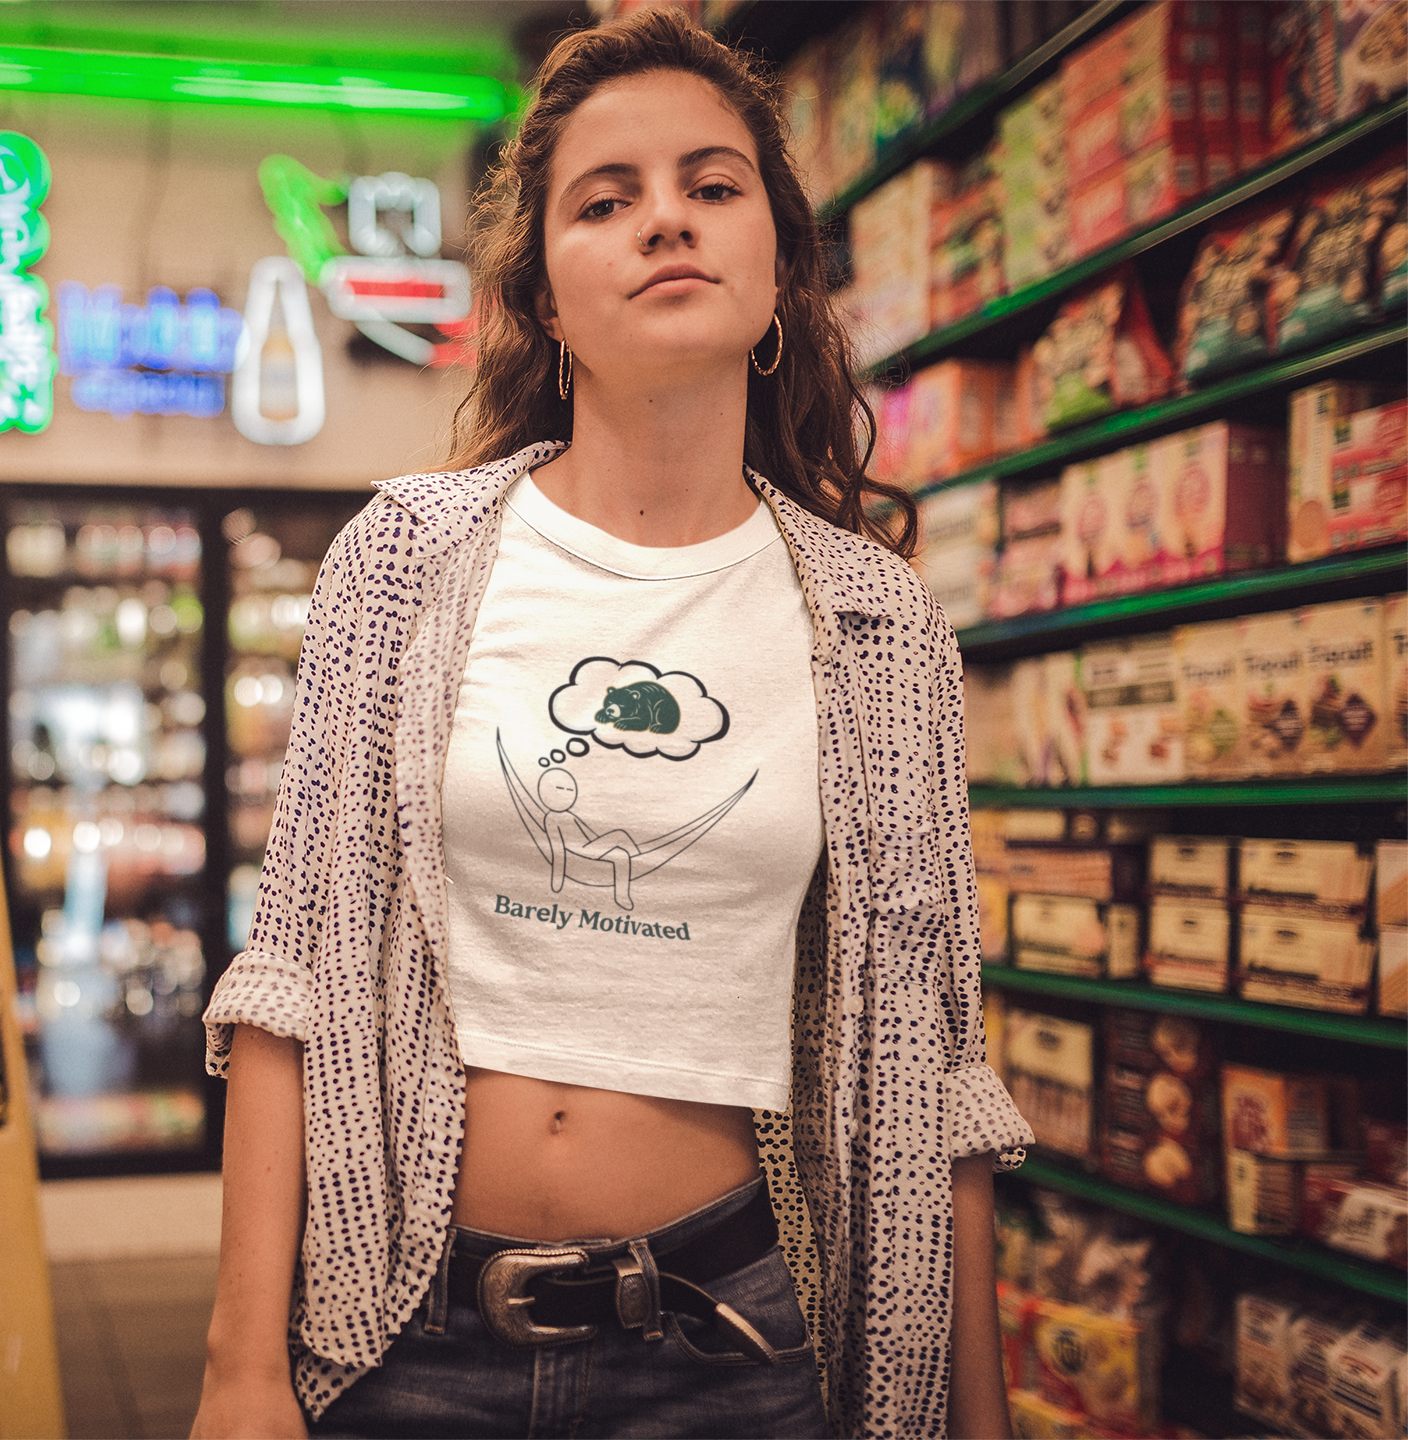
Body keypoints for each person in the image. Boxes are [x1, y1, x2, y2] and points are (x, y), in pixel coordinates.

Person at [192, 11, 1034, 1439]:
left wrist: (975, 1416)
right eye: (608, 197)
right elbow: (296, 978)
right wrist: (239, 1372)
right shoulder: (407, 559)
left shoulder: (879, 626)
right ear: (547, 294)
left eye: (713, 186)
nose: (667, 222)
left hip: (738, 1352)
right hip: (405, 1339)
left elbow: (932, 1059)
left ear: (780, 271)